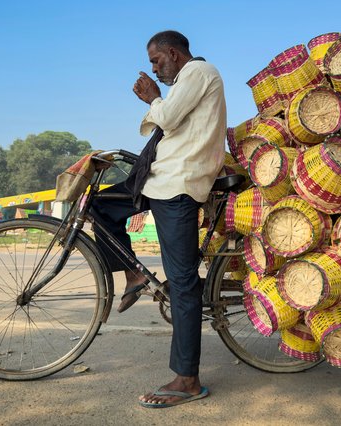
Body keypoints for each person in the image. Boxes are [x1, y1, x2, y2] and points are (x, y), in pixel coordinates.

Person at [90, 30, 226, 408]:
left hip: (179, 185)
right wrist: (154, 102)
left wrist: (152, 97)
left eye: (156, 61)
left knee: (182, 284)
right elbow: (161, 123)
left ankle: (187, 380)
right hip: (160, 180)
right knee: (102, 206)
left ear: (172, 53)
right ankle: (133, 272)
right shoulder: (187, 80)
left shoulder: (199, 72)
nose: (154, 68)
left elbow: (165, 115)